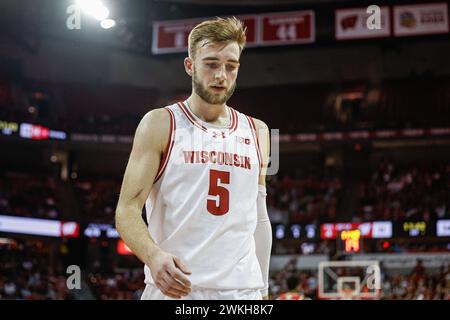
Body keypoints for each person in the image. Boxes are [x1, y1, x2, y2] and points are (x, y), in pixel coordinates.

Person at [115, 17, 272, 300]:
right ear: (190, 66)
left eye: (231, 66)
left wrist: (263, 290)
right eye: (211, 64)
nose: (221, 75)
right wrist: (153, 256)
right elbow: (126, 210)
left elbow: (260, 219)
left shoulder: (259, 131)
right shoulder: (160, 124)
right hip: (175, 288)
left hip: (242, 293)